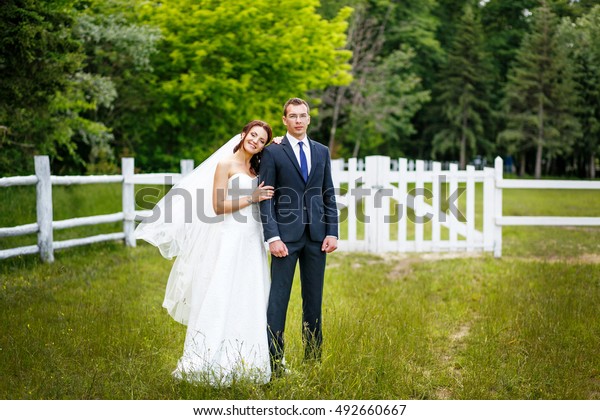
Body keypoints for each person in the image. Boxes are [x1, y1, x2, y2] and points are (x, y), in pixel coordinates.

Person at [135, 120, 275, 386]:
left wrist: (277, 142)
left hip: (251, 239)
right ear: (244, 133)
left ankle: (249, 364)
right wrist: (252, 198)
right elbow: (218, 205)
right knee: (221, 293)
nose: (255, 141)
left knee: (249, 295)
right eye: (253, 135)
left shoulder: (255, 166)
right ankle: (206, 361)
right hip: (229, 237)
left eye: (262, 140)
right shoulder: (226, 165)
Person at [259, 98, 338, 377]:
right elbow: (265, 199)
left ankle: (313, 358)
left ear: (309, 119)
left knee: (313, 299)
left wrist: (332, 231)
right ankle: (274, 362)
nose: (298, 120)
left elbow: (328, 193)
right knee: (278, 300)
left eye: (302, 115)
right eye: (292, 116)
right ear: (284, 120)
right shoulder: (273, 153)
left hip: (317, 237)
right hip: (285, 239)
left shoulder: (321, 151)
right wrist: (273, 237)